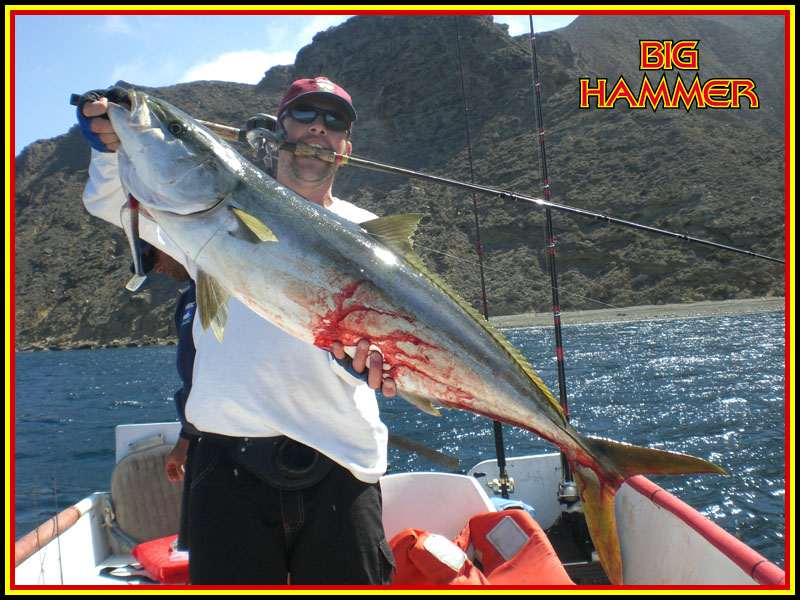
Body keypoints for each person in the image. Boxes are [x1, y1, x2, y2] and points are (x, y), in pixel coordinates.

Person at [77, 77, 397, 584]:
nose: (318, 127)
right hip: (227, 466)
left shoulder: (368, 233)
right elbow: (109, 200)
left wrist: (368, 367)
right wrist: (111, 145)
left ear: (346, 148)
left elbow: (390, 345)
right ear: (279, 131)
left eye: (334, 120)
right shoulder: (197, 213)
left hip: (343, 466)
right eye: (304, 115)